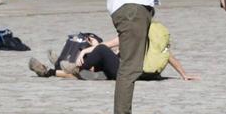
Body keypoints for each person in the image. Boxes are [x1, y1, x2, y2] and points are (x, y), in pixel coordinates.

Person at [28, 22, 198, 81]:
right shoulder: (151, 38)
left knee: (99, 50)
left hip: (120, 71)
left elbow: (107, 46)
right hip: (122, 67)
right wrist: (183, 74)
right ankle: (57, 68)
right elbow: (168, 55)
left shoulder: (135, 33)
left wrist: (88, 49)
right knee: (98, 50)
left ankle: (60, 67)